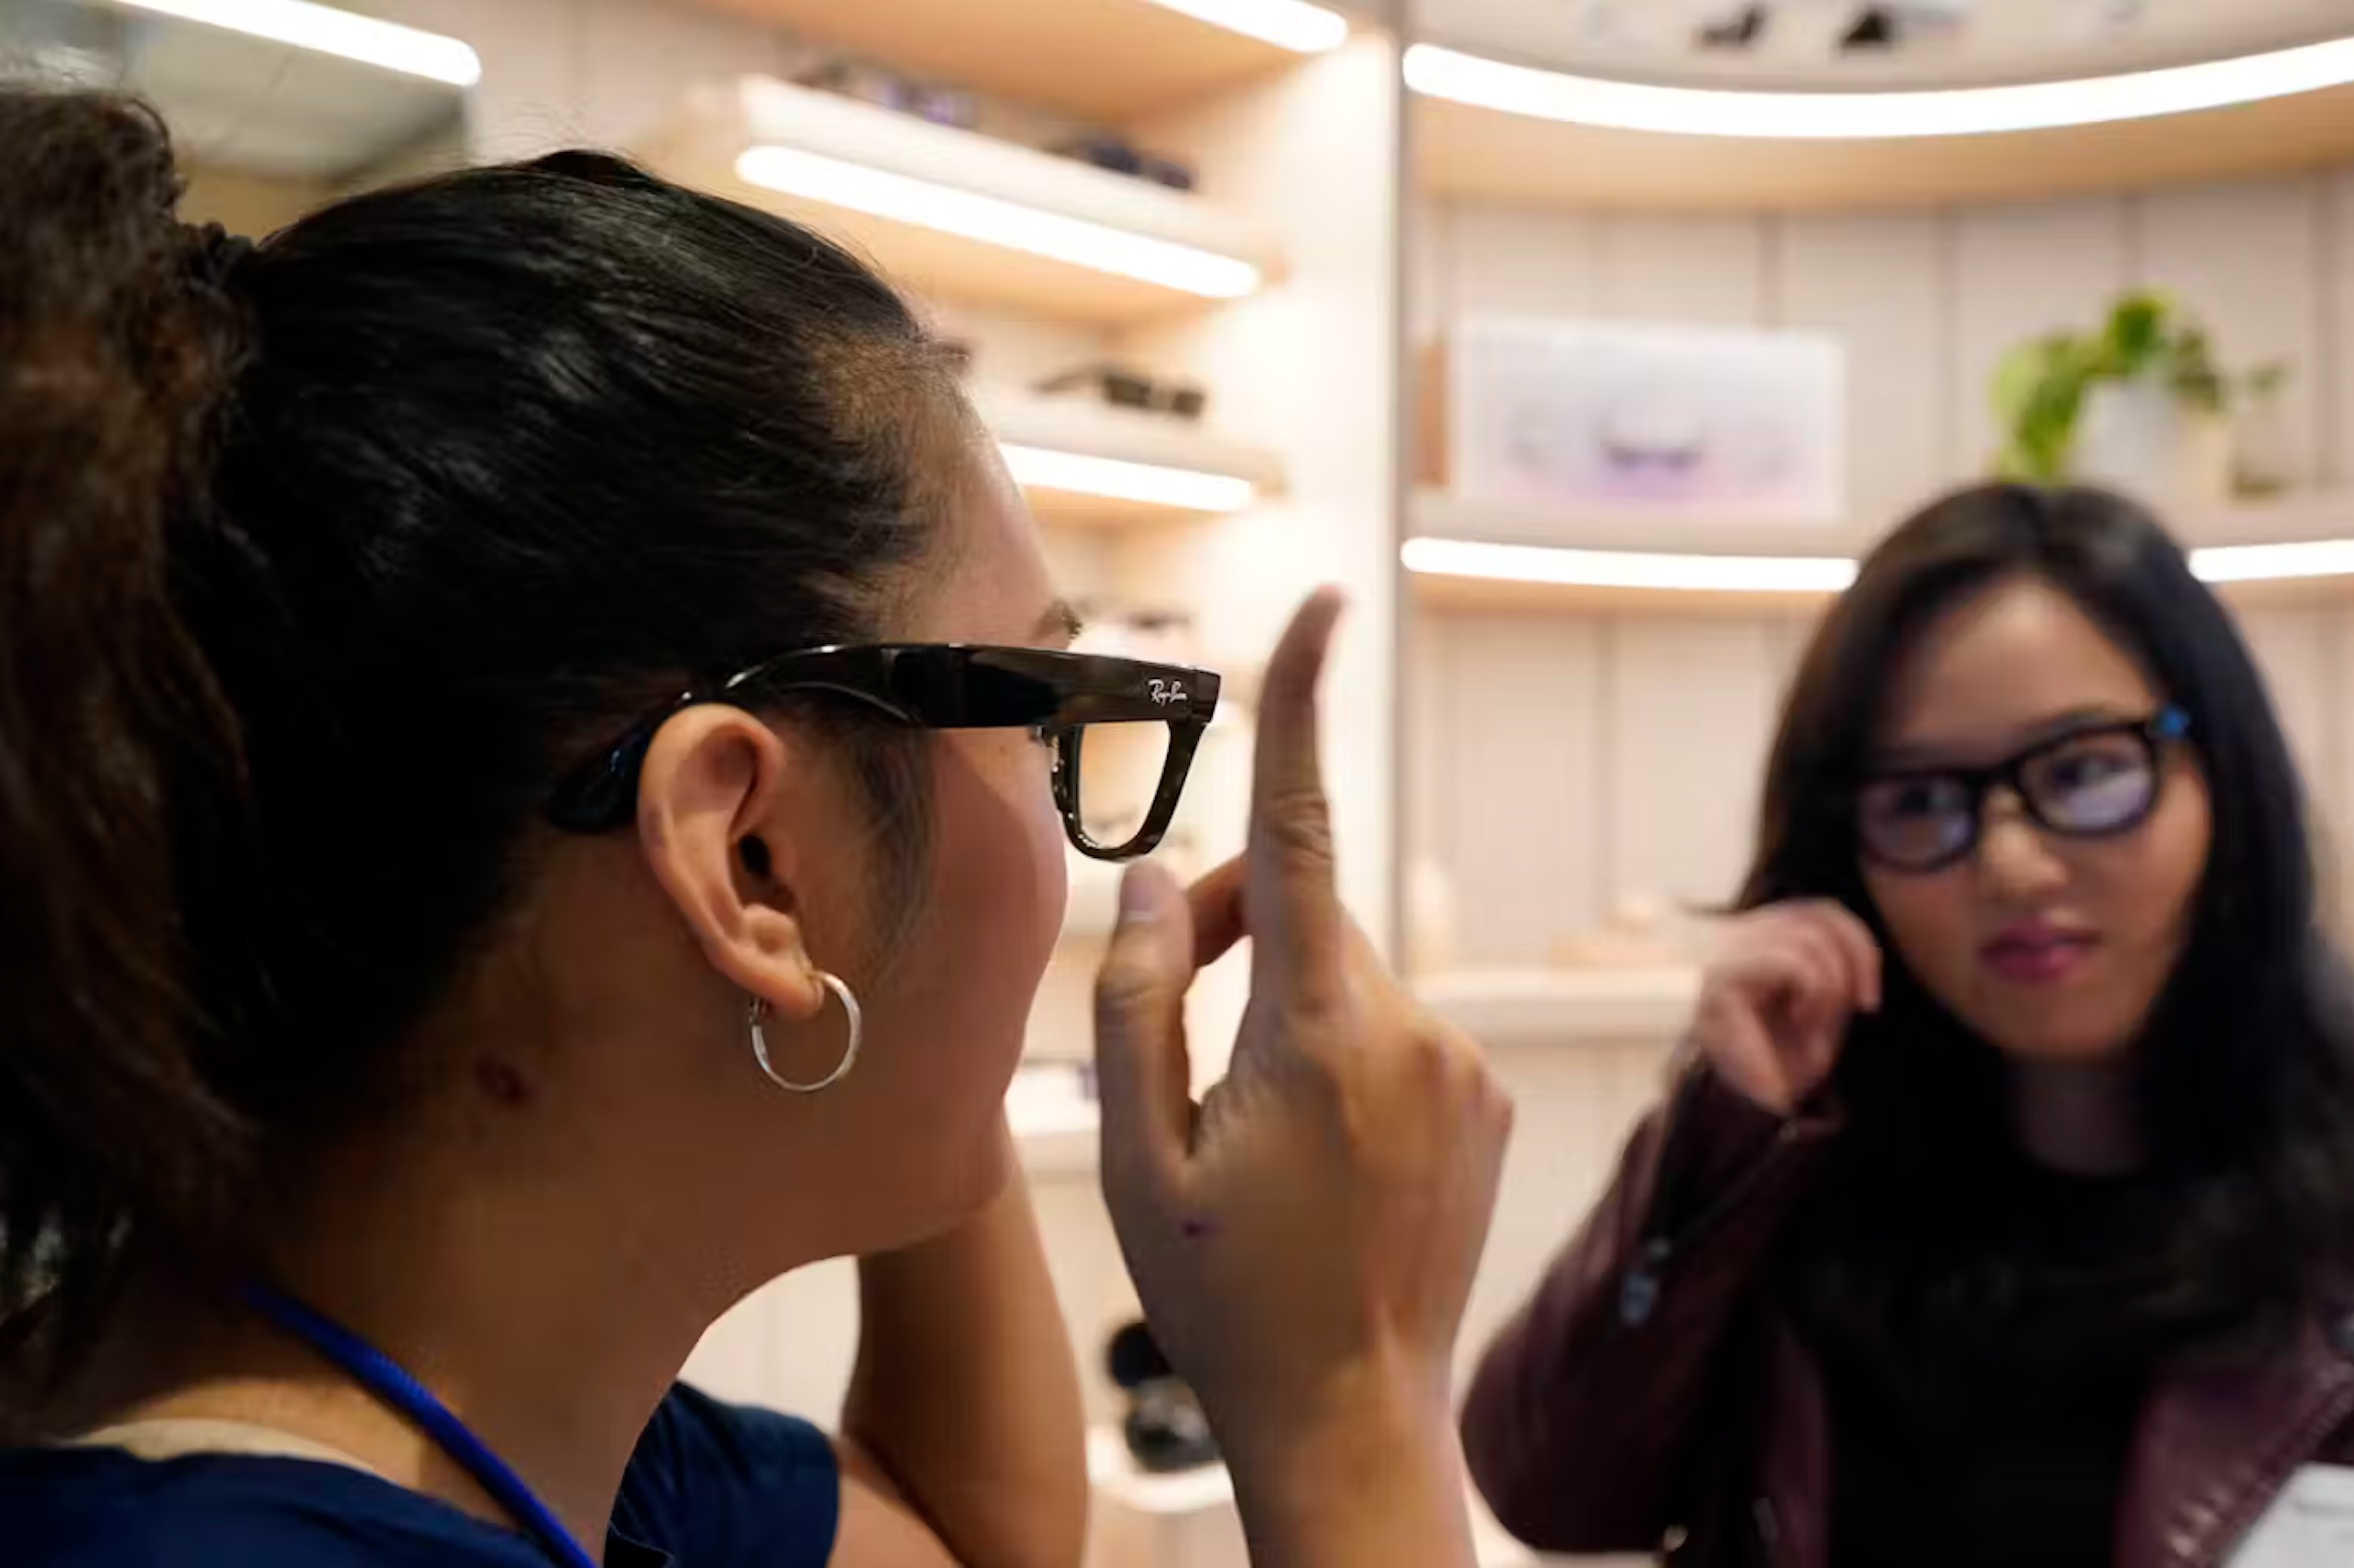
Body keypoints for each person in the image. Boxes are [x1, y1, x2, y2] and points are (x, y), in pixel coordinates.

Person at [0, 92, 1514, 1568]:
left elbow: (975, 1535)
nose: (1074, 860)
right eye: (1042, 714)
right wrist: (1350, 1407)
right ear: (749, 859)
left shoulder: (460, 1416)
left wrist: (917, 977)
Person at [1461, 482, 2354, 1567]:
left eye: (2081, 770)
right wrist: (1724, 1130)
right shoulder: (1804, 1170)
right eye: (1923, 798)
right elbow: (1547, 1489)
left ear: (2220, 773)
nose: (2010, 863)